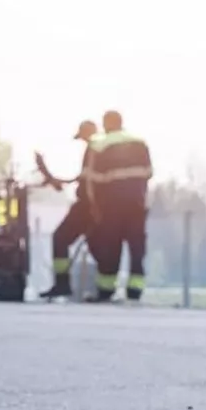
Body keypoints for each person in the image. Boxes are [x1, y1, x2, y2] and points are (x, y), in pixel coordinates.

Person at [39, 120, 122, 301]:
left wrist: (93, 207)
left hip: (88, 206)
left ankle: (63, 285)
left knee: (60, 239)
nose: (82, 141)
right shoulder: (101, 149)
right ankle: (105, 291)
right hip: (98, 206)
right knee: (97, 247)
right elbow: (88, 177)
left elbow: (91, 182)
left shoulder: (94, 147)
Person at [83, 110, 154, 302]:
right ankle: (135, 290)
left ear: (106, 124)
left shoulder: (99, 145)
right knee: (136, 247)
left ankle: (106, 290)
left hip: (111, 205)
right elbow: (148, 173)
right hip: (137, 204)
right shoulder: (140, 142)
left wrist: (95, 207)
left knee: (110, 247)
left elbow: (92, 181)